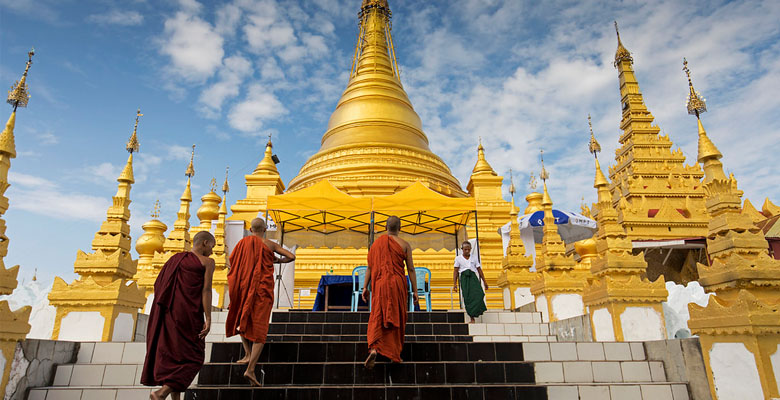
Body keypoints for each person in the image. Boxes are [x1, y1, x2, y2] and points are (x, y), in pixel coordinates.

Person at [142, 231, 216, 400]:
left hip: (170, 314)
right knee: (194, 357)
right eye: (212, 246)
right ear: (205, 243)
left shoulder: (175, 260)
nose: (212, 251)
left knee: (176, 357)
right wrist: (208, 317)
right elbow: (206, 290)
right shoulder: (208, 262)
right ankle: (162, 393)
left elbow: (159, 285)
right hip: (190, 315)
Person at [225, 217, 295, 386]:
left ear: (250, 229)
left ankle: (247, 353)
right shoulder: (269, 244)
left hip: (243, 288)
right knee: (260, 328)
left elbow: (232, 263)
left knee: (242, 318)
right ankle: (250, 368)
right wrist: (277, 260)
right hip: (262, 291)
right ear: (265, 230)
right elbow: (291, 256)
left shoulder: (241, 245)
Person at [361, 216, 418, 369]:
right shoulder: (405, 245)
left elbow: (370, 267)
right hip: (398, 284)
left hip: (380, 284)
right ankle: (394, 354)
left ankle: (374, 349)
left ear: (386, 227)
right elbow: (411, 269)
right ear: (400, 228)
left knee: (378, 315)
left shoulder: (376, 244)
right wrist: (415, 291)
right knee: (397, 315)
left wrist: (364, 287)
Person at [453, 241, 488, 323]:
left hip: (473, 278)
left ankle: (477, 310)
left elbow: (479, 270)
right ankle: (472, 318)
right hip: (464, 279)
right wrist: (455, 284)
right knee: (468, 298)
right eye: (465, 249)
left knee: (480, 294)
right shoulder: (458, 259)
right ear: (462, 249)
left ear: (470, 249)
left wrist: (485, 282)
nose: (467, 251)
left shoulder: (474, 257)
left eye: (468, 249)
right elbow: (455, 272)